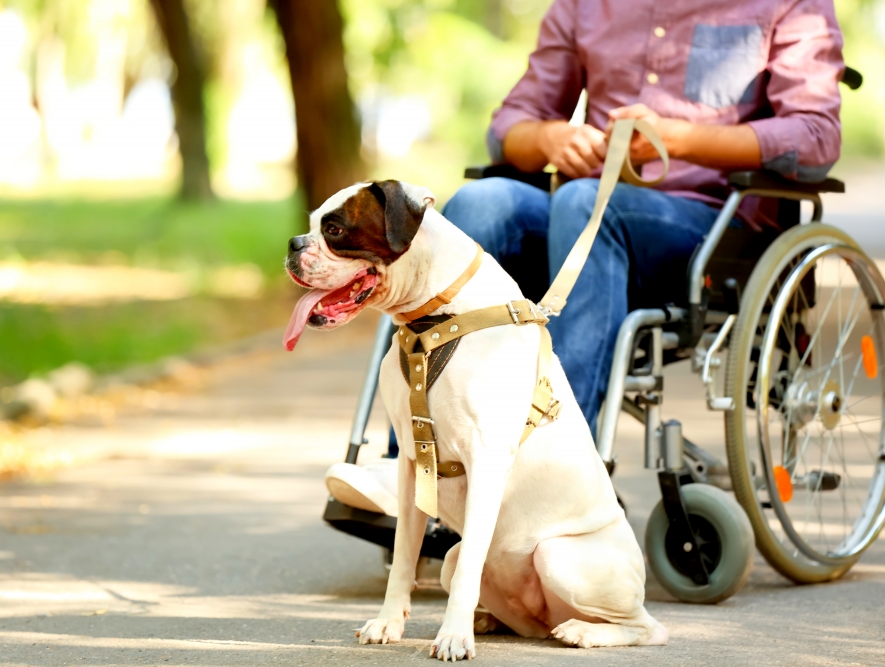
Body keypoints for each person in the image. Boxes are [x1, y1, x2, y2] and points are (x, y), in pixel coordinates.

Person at [327, 0, 845, 514]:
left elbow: (817, 136)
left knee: (582, 200)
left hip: (707, 225)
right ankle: (415, 472)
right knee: (480, 205)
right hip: (581, 213)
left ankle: (550, 479)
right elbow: (508, 126)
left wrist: (680, 138)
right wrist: (550, 137)